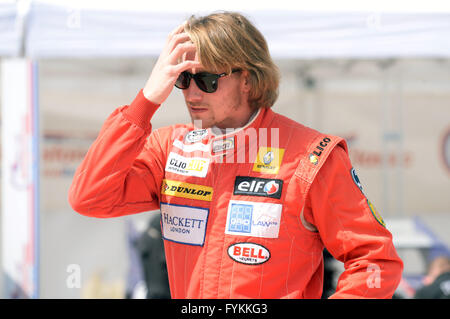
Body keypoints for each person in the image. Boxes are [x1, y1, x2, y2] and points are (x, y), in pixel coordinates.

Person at [69, 11, 403, 298]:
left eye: (207, 80)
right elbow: (89, 197)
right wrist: (146, 101)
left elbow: (375, 260)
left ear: (248, 79)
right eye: (183, 79)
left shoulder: (312, 157)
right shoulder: (169, 148)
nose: (193, 93)